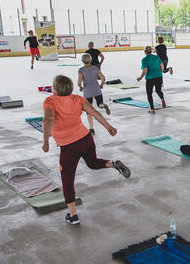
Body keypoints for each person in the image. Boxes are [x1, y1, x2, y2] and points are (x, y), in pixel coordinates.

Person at [42, 75, 130, 226]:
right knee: (93, 162)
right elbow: (94, 113)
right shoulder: (78, 99)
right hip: (85, 138)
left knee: (67, 181)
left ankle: (73, 215)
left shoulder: (50, 101)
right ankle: (113, 164)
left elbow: (48, 120)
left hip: (69, 147)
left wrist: (45, 141)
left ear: (55, 89)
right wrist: (108, 127)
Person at [78, 53, 110, 134]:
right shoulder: (96, 68)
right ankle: (103, 106)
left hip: (87, 91)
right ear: (91, 60)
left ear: (82, 61)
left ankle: (91, 129)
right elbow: (103, 78)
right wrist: (101, 85)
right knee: (100, 104)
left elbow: (79, 82)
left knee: (89, 111)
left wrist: (80, 87)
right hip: (96, 89)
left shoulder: (81, 70)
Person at [136, 46, 166, 113]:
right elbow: (162, 66)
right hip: (159, 76)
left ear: (145, 52)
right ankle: (162, 99)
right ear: (151, 51)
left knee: (149, 93)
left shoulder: (144, 59)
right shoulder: (156, 57)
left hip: (150, 78)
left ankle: (152, 109)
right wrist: (160, 72)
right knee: (158, 90)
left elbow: (145, 70)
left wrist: (140, 77)